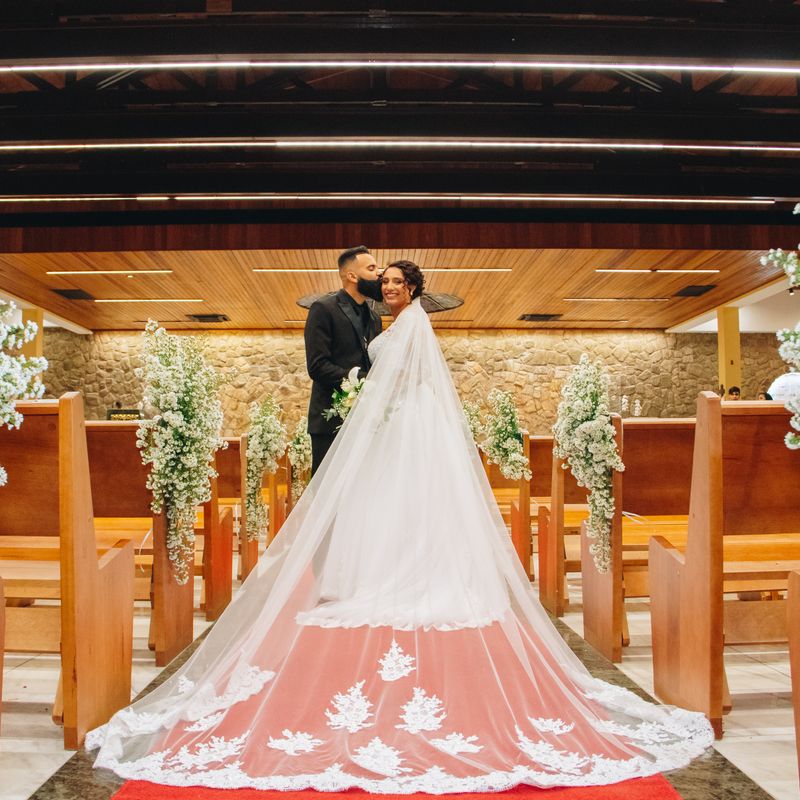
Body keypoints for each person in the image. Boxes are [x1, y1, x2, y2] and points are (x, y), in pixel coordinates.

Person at [88, 261, 712, 792]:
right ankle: (393, 571)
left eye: (395, 282)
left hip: (408, 429)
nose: (387, 289)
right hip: (402, 427)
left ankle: (404, 575)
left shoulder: (409, 328)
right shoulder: (394, 325)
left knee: (399, 502)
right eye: (382, 281)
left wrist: (364, 396)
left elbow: (397, 383)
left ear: (412, 290)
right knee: (391, 506)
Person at [304, 245, 383, 476]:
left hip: (365, 422)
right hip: (330, 421)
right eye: (371, 268)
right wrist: (361, 380)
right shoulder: (323, 309)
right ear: (351, 275)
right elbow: (317, 366)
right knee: (327, 496)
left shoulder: (375, 317)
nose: (379, 273)